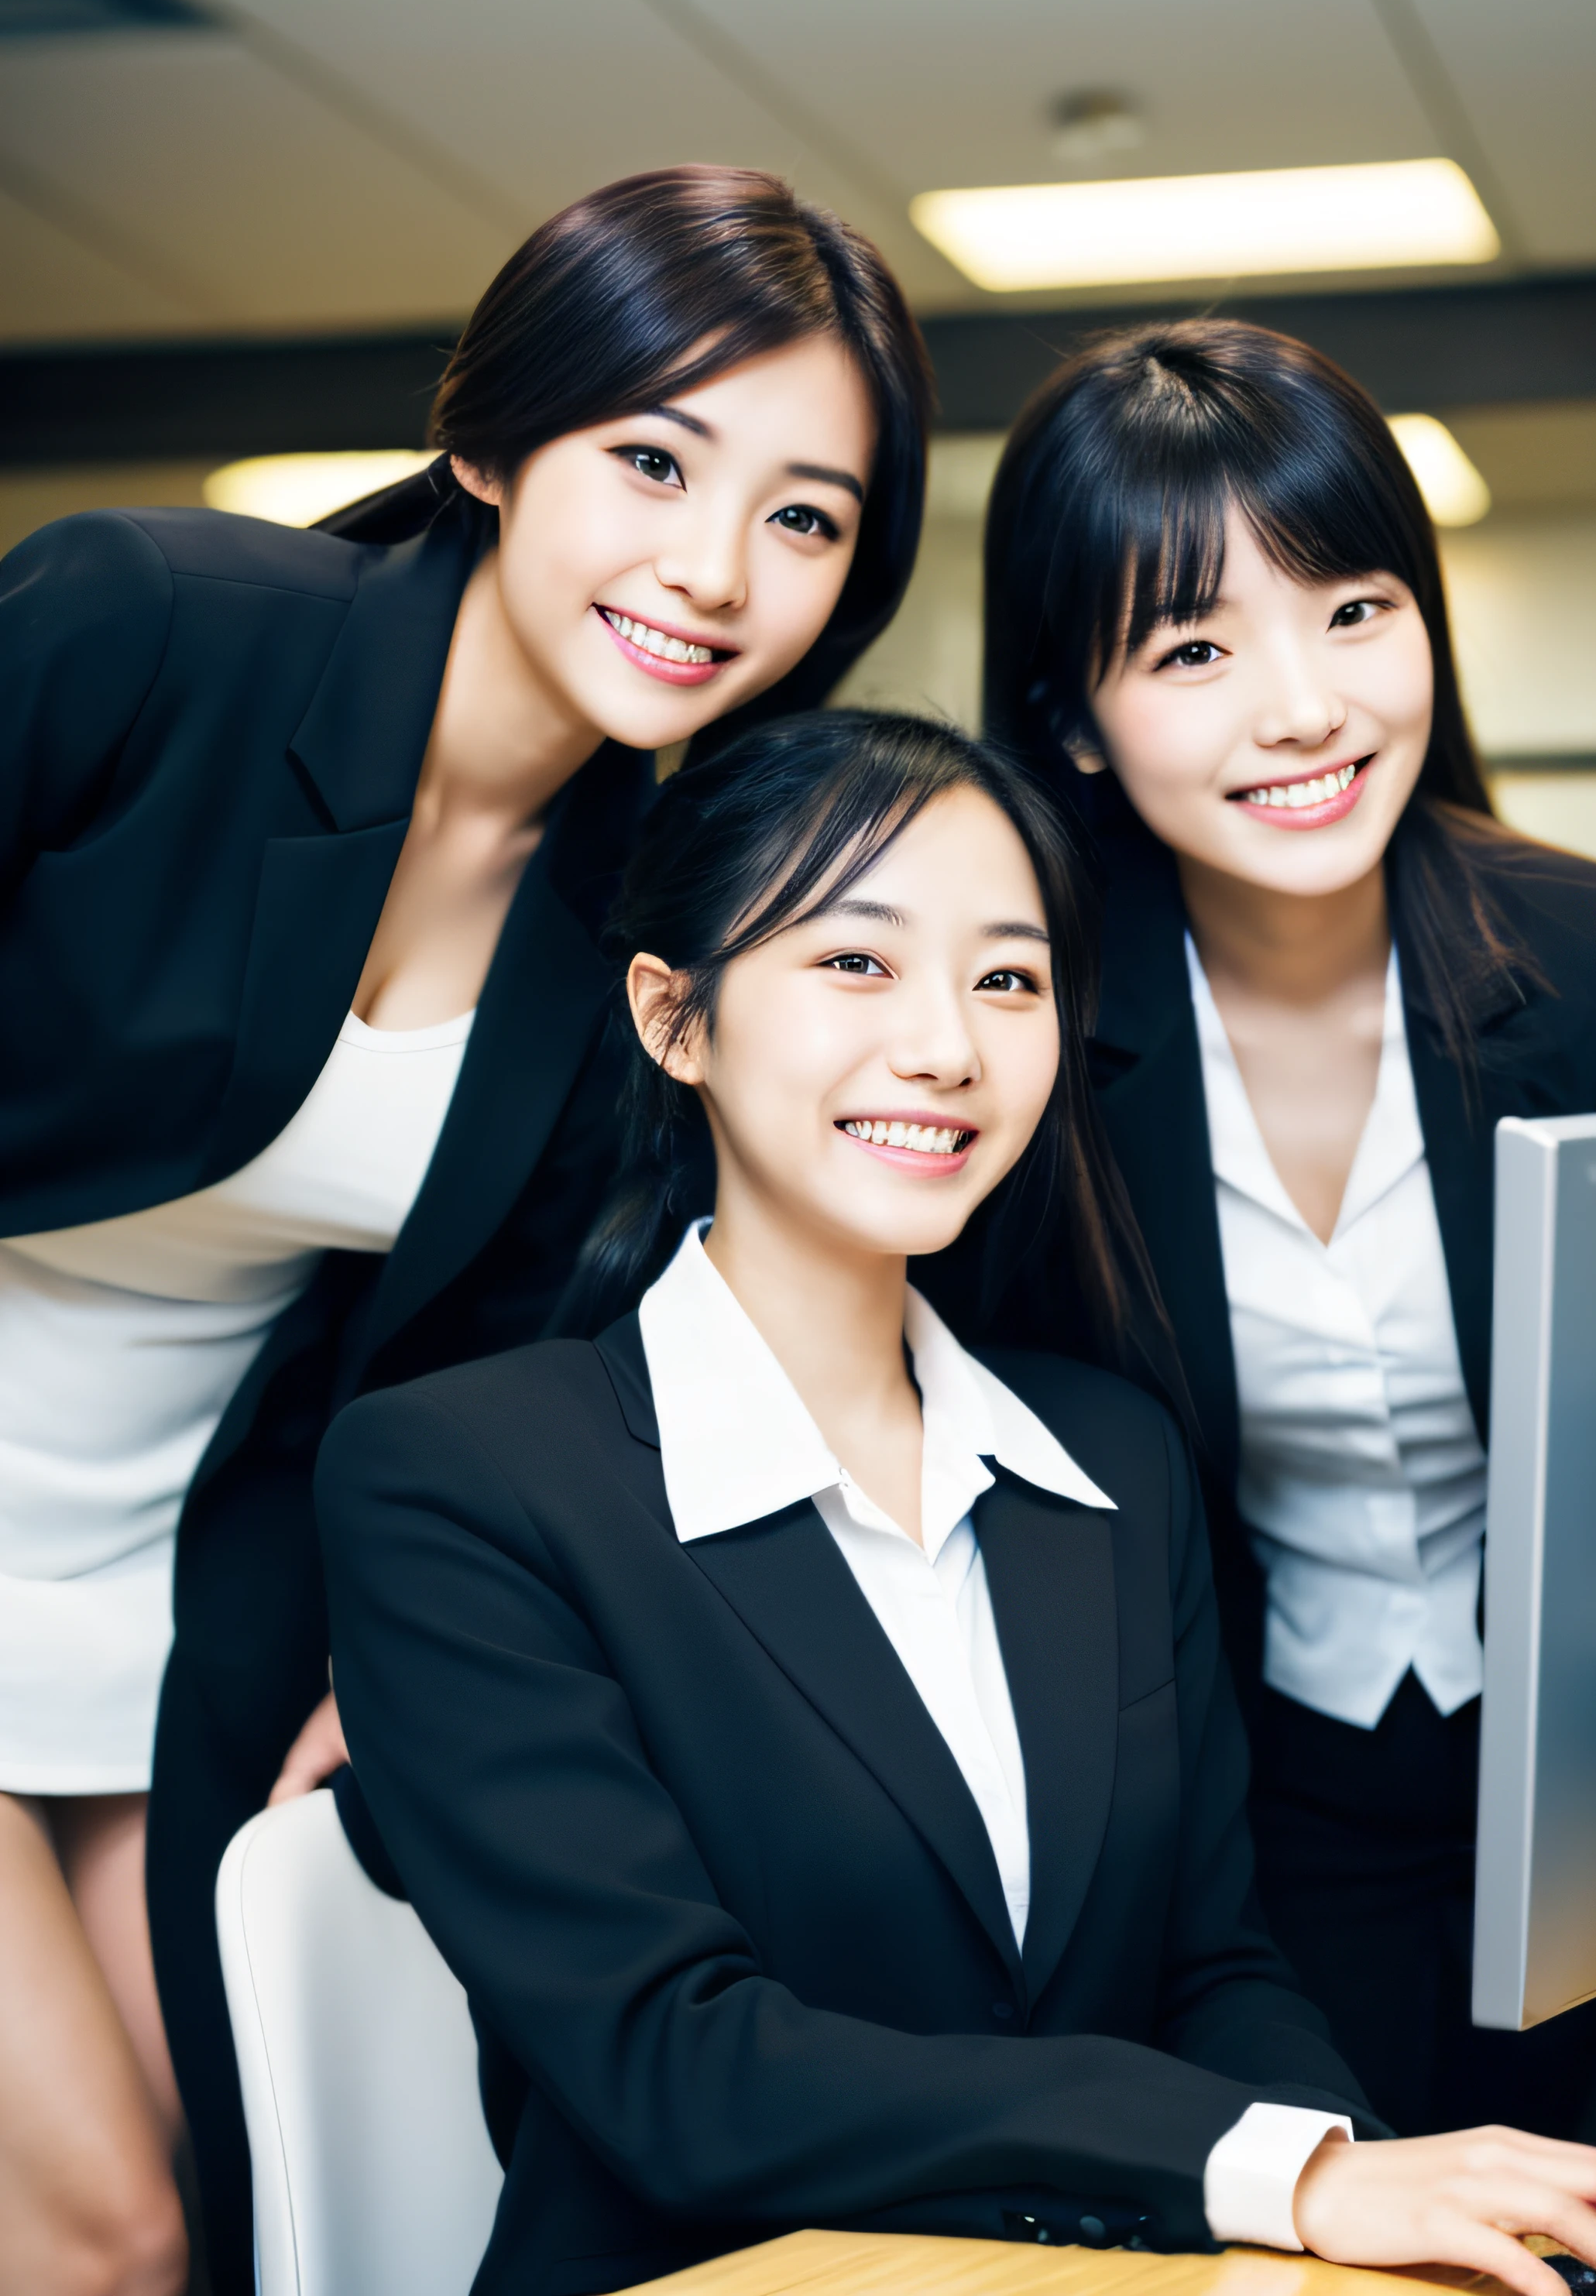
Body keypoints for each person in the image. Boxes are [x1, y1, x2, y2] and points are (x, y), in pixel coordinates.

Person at [313, 707, 1596, 2296]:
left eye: (1008, 976)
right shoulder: (458, 1480)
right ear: (672, 1015)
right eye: (854, 962)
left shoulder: (1107, 1456)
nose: (947, 1045)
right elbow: (677, 2066)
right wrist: (1281, 2170)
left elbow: (1216, 1967)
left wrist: (1356, 2199)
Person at [0, 165, 930, 2296]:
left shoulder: (650, 902)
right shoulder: (149, 630)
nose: (715, 569)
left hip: (165, 1591)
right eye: (653, 460)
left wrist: (381, 1627)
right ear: (490, 440)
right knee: (103, 2235)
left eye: (804, 516)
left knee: (252, 2209)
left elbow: (491, 1339)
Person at [973, 320, 1596, 2149]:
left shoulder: (1590, 959)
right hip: (1238, 1800)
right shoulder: (1016, 1020)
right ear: (1068, 725)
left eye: (1354, 609)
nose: (1305, 704)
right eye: (1194, 647)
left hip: (1591, 1779)